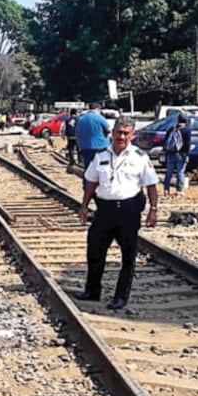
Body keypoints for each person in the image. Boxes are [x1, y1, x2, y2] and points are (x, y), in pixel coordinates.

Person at [76, 118, 159, 310]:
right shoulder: (101, 156)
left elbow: (151, 185)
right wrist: (84, 206)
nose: (121, 136)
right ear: (112, 133)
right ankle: (92, 291)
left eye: (126, 133)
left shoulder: (140, 157)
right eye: (118, 132)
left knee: (128, 256)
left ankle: (121, 297)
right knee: (95, 251)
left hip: (129, 210)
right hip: (104, 210)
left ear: (132, 135)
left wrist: (153, 210)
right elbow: (91, 182)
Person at [162, 113, 191, 197]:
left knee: (169, 172)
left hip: (170, 153)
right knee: (180, 172)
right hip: (181, 154)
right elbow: (187, 144)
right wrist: (187, 155)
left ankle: (166, 190)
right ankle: (179, 191)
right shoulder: (186, 130)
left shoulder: (172, 128)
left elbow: (166, 140)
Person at [74, 102, 110, 167]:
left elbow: (77, 133)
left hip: (85, 146)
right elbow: (108, 130)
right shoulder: (99, 118)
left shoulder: (81, 119)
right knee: (101, 166)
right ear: (97, 109)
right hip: (100, 145)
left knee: (88, 167)